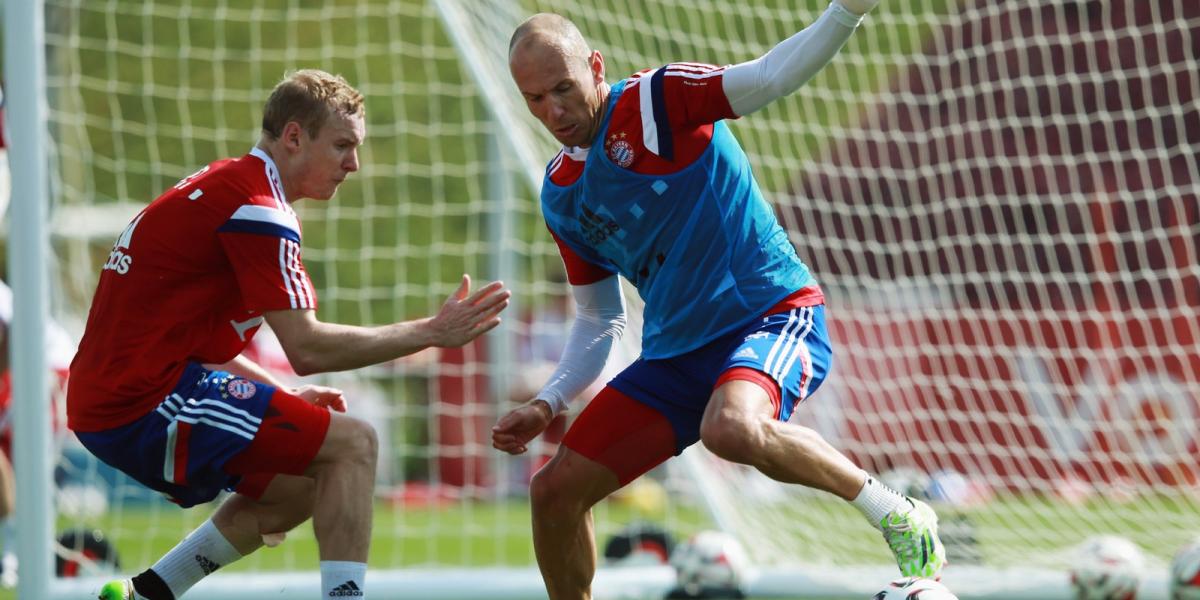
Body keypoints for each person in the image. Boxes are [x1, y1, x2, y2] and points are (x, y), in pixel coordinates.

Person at [490, 2, 946, 597]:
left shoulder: (656, 103)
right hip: (677, 358)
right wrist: (550, 402)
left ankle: (897, 512)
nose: (553, 111)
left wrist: (846, 12)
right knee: (553, 491)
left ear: (595, 66)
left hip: (772, 315)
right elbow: (601, 317)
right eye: (534, 99)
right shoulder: (562, 192)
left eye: (563, 88)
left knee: (732, 428)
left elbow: (768, 77)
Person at [69, 69, 510, 600]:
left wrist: (277, 397)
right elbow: (307, 348)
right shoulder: (259, 210)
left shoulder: (224, 184)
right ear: (295, 137)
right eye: (343, 145)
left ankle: (149, 593)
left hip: (123, 396)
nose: (354, 164)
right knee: (356, 444)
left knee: (306, 484)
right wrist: (432, 331)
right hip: (140, 403)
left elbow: (199, 345)